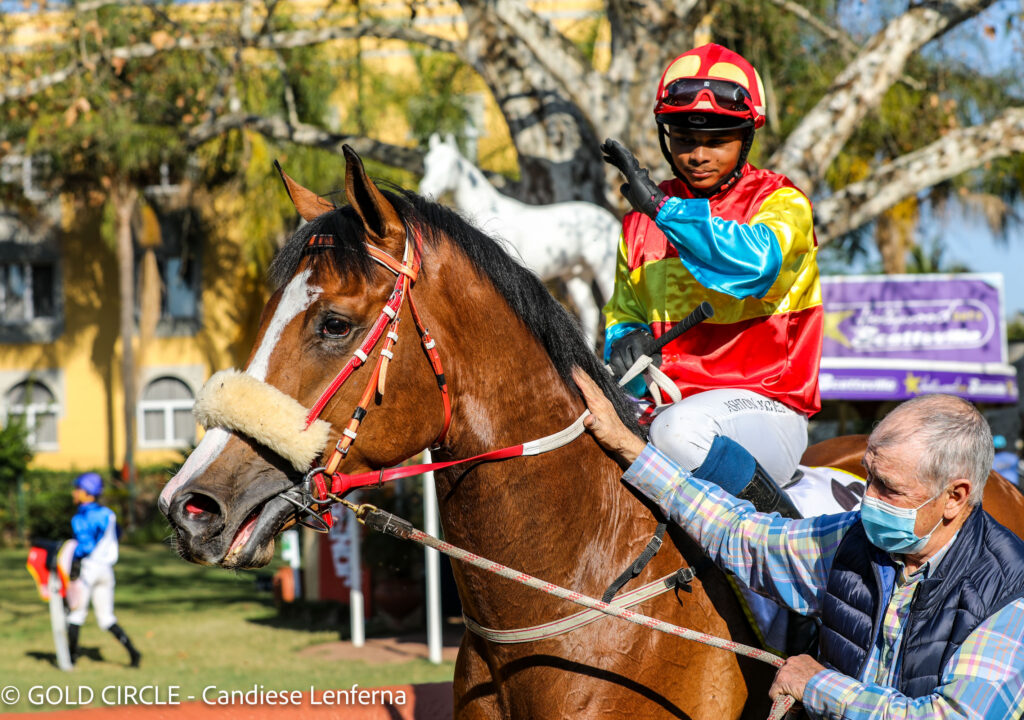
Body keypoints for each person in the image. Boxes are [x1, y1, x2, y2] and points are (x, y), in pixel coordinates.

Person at [575, 368, 1024, 719]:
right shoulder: (855, 541)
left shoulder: (1010, 596)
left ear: (955, 497)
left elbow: (949, 717)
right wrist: (630, 448)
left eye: (888, 488)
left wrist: (817, 686)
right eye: (867, 477)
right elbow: (740, 534)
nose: (867, 500)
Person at [600, 43, 822, 518]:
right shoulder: (636, 225)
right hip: (666, 402)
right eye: (682, 138)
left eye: (717, 140)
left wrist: (663, 210)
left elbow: (752, 265)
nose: (697, 155)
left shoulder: (783, 203)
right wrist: (623, 342)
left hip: (768, 407)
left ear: (746, 137)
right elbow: (624, 313)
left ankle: (785, 547)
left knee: (678, 434)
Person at [68, 472, 141, 668]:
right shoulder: (108, 513)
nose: (74, 493)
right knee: (106, 618)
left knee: (75, 614)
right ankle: (133, 653)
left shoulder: (82, 517)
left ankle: (70, 660)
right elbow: (117, 533)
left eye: (77, 489)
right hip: (107, 570)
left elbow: (85, 546)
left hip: (88, 569)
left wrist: (72, 560)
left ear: (87, 493)